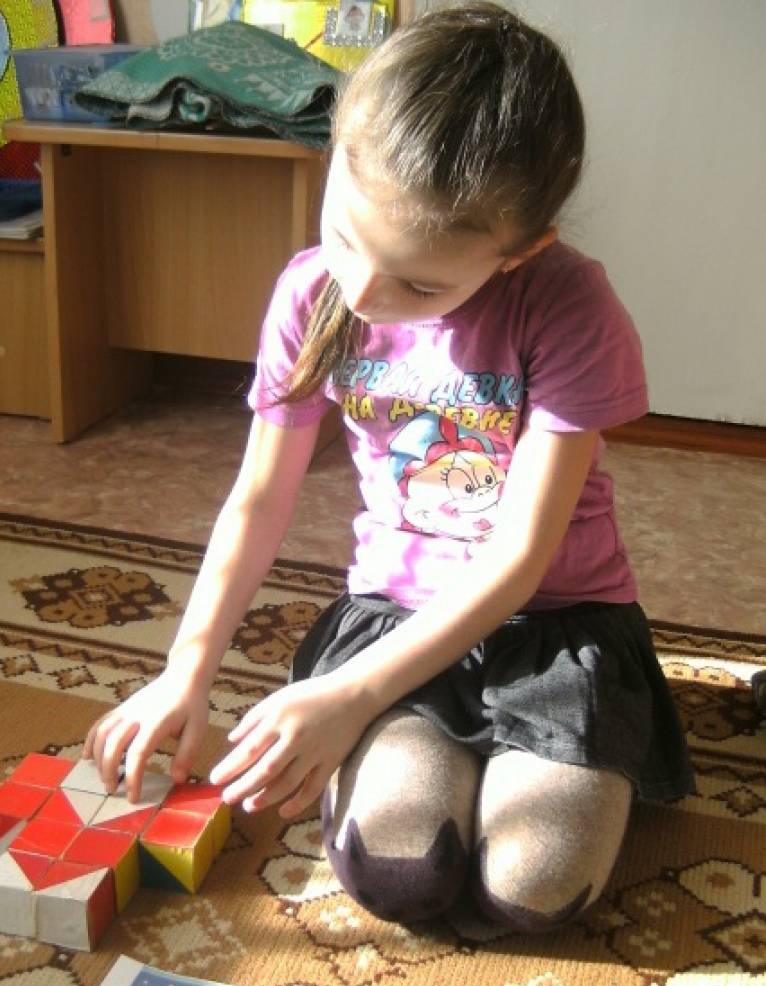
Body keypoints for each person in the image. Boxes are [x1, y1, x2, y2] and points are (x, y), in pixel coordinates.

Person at [85, 3, 694, 932]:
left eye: (421, 284)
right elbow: (259, 498)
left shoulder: (570, 305)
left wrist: (351, 695)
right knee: (400, 873)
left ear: (520, 250)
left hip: (556, 624)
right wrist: (186, 669)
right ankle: (463, 754)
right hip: (398, 615)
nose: (363, 292)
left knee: (531, 886)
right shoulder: (311, 293)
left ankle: (569, 751)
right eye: (344, 238)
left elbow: (519, 561)